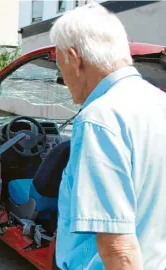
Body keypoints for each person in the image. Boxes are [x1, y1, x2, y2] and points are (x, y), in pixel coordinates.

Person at [50, 3, 166, 270]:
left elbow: (118, 249)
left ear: (74, 58)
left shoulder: (99, 118)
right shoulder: (159, 102)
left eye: (60, 67)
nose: (63, 79)